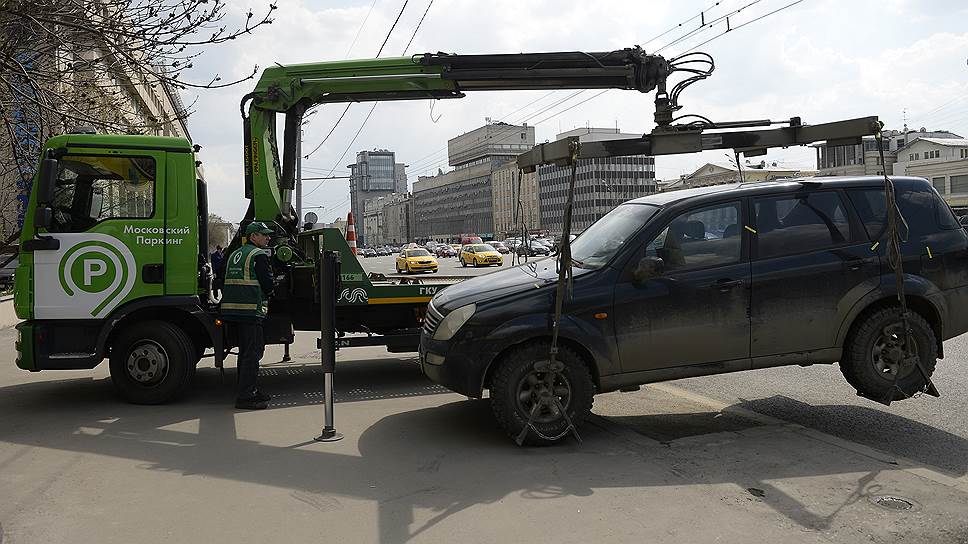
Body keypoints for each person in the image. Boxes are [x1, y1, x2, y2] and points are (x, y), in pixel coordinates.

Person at [220, 222, 275, 410]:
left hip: (233, 310)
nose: (268, 238)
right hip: (250, 310)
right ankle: (246, 396)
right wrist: (272, 291)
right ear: (253, 237)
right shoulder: (258, 255)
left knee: (245, 352)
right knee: (253, 353)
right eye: (264, 235)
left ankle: (247, 389)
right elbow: (267, 283)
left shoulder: (235, 253)